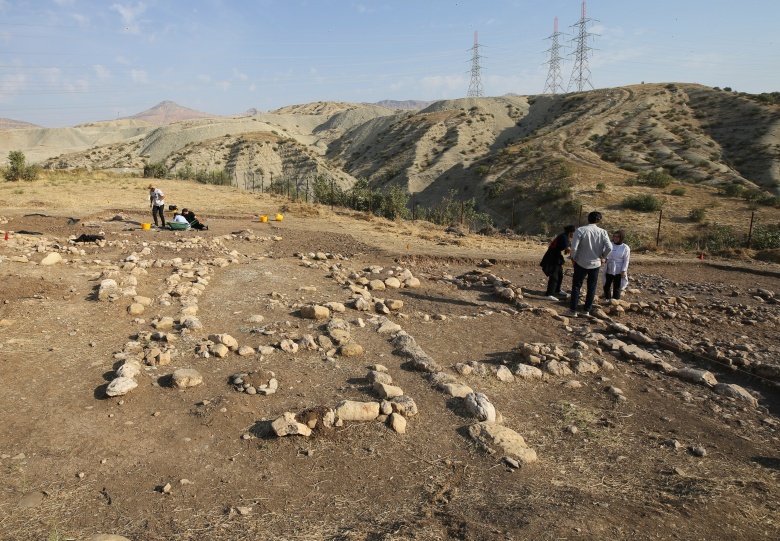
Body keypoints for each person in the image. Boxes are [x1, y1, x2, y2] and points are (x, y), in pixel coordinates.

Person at [566, 211, 612, 317]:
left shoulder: (580, 230)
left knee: (577, 286)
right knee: (591, 287)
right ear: (599, 221)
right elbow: (609, 247)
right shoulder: (603, 232)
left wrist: (574, 257)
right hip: (596, 263)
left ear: (588, 219)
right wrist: (603, 256)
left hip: (581, 262)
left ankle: (573, 310)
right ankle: (587, 310)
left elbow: (573, 247)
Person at [540, 225, 575, 300]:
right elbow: (568, 250)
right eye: (574, 233)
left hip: (556, 257)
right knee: (554, 276)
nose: (574, 235)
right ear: (571, 232)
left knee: (560, 274)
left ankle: (557, 290)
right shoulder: (563, 237)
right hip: (552, 258)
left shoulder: (565, 237)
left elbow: (570, 247)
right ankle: (549, 294)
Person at [603, 230, 630, 301]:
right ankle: (607, 299)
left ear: (621, 238)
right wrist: (604, 259)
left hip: (618, 269)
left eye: (617, 237)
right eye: (614, 236)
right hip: (609, 268)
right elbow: (604, 253)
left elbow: (626, 260)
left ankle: (615, 301)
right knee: (606, 285)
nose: (615, 238)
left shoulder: (625, 247)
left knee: (617, 286)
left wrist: (624, 270)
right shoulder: (609, 245)